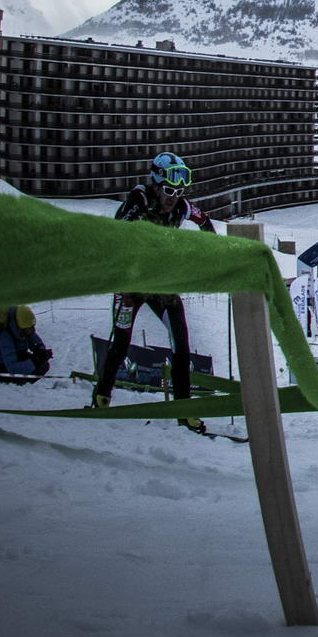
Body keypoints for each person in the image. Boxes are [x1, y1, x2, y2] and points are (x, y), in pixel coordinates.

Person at [92, 151, 213, 430]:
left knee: (181, 346)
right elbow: (116, 230)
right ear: (156, 184)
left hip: (161, 284)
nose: (173, 198)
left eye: (179, 192)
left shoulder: (182, 206)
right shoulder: (141, 200)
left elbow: (205, 221)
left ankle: (184, 409)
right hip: (131, 286)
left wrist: (212, 252)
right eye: (169, 190)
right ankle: (102, 395)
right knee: (120, 343)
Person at [0, 306, 52, 383]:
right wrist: (35, 361)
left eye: (33, 327)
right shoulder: (5, 336)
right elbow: (12, 368)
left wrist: (40, 349)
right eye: (30, 328)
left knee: (43, 365)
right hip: (2, 366)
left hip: (18, 356)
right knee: (31, 372)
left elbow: (33, 338)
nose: (33, 330)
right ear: (20, 327)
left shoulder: (25, 328)